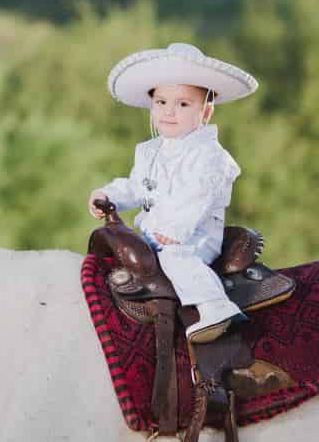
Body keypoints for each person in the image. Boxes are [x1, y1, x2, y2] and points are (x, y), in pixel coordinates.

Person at [88, 43, 258, 343]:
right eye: (162, 102)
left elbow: (199, 196)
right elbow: (136, 186)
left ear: (204, 111)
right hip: (154, 233)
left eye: (182, 104)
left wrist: (174, 229)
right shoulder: (150, 151)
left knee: (175, 259)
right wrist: (109, 194)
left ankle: (214, 305)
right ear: (151, 105)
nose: (169, 111)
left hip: (193, 235)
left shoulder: (209, 155)